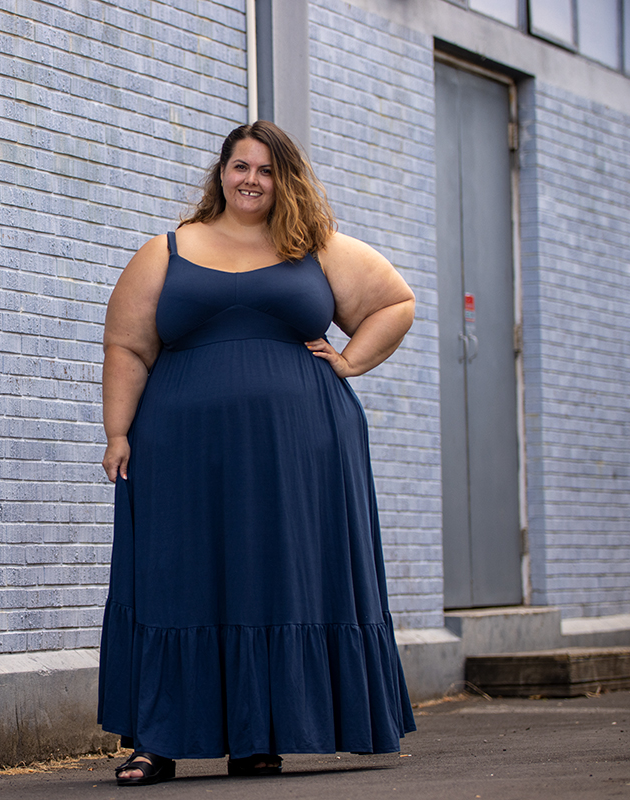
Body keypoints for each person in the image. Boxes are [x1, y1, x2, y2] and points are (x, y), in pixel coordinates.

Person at [96, 120, 417, 787]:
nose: (251, 180)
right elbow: (127, 345)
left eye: (266, 170)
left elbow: (395, 302)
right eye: (241, 166)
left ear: (285, 178)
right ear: (222, 173)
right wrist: (118, 432)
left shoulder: (317, 247)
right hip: (182, 449)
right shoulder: (168, 249)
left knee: (276, 576)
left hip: (300, 451)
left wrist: (351, 361)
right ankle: (157, 743)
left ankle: (258, 736)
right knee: (177, 580)